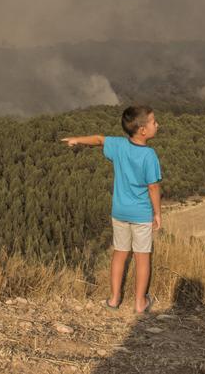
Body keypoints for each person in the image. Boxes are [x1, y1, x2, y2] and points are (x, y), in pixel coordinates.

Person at [62, 106, 162, 314]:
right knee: (142, 258)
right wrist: (157, 213)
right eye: (154, 122)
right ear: (143, 130)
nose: (157, 124)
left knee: (119, 254)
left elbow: (99, 139)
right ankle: (139, 303)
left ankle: (114, 299)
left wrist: (76, 139)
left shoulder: (118, 145)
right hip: (141, 214)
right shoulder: (149, 155)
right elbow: (153, 187)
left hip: (119, 212)